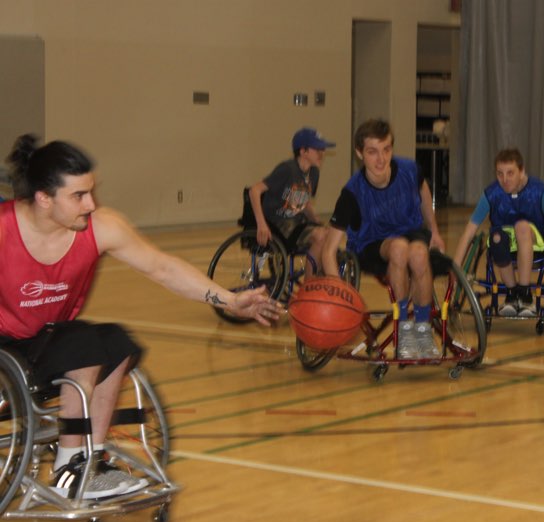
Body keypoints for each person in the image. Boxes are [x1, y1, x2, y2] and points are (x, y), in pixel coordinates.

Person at [0, 134, 283, 499]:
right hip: (5, 346)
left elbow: (163, 268)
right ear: (43, 199)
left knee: (116, 342)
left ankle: (87, 460)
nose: (91, 204)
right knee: (82, 344)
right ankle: (71, 470)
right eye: (79, 196)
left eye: (91, 192)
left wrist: (229, 301)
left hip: (46, 339)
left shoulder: (102, 227)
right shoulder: (6, 230)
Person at [322, 119, 445, 359]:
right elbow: (328, 251)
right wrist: (341, 295)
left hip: (410, 231)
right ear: (360, 153)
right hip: (371, 243)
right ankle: (404, 329)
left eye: (386, 150)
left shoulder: (409, 170)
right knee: (399, 248)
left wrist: (435, 230)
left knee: (419, 253)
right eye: (372, 152)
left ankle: (422, 329)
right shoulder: (352, 193)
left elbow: (423, 189)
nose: (381, 159)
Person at [452, 147, 544, 317]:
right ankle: (512, 294)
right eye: (500, 174)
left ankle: (525, 295)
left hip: (536, 245)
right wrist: (455, 269)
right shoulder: (491, 194)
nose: (504, 179)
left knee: (522, 227)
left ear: (522, 171)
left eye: (510, 173)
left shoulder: (539, 192)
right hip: (503, 245)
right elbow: (469, 232)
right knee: (495, 237)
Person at [248, 127, 335, 275]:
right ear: (303, 151)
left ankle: (316, 276)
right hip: (279, 224)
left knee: (328, 233)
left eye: (323, 149)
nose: (322, 153)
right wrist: (261, 224)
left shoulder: (314, 173)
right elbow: (254, 191)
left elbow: (305, 202)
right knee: (320, 236)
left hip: (296, 224)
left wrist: (316, 220)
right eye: (317, 149)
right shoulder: (287, 169)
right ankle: (309, 285)